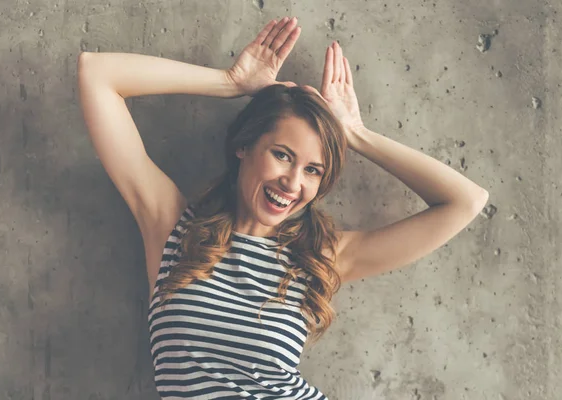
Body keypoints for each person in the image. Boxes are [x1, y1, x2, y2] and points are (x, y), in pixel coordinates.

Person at [78, 16, 488, 400]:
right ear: (244, 146)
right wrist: (229, 81)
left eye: (313, 170)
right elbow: (97, 74)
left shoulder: (320, 257)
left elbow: (465, 202)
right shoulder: (173, 228)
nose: (293, 184)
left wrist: (355, 134)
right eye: (283, 155)